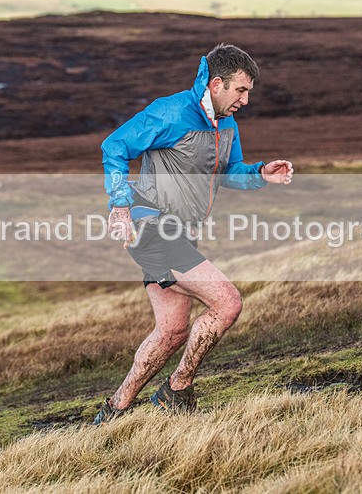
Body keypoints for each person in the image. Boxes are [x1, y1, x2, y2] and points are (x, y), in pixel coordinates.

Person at [94, 43, 293, 424]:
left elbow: (227, 172)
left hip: (181, 234)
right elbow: (114, 146)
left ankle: (115, 409)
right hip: (153, 227)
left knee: (171, 331)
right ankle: (178, 389)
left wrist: (260, 173)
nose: (246, 100)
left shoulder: (227, 125)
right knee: (227, 303)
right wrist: (119, 205)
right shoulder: (170, 113)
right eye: (241, 90)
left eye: (249, 92)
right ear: (217, 83)